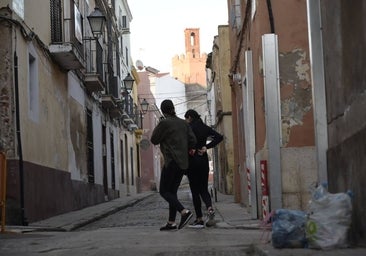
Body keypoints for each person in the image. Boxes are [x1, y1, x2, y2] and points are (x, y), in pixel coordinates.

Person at [151, 100, 197, 231]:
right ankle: (171, 223)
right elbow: (193, 140)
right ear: (173, 108)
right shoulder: (184, 123)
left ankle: (184, 212)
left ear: (163, 110)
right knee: (172, 192)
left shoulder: (164, 123)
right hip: (183, 164)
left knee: (164, 191)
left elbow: (154, 139)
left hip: (171, 162)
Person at [184, 109, 223, 228]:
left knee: (195, 191)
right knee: (204, 189)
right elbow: (219, 137)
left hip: (192, 162)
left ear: (189, 117)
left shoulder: (188, 128)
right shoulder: (205, 127)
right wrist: (206, 147)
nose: (186, 121)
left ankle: (199, 219)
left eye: (186, 118)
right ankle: (210, 208)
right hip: (203, 161)